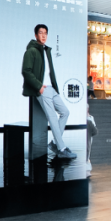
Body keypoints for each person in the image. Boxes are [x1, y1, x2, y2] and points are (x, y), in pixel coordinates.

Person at [21, 24, 75, 160]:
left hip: (51, 88)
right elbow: (26, 71)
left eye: (45, 33)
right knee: (52, 118)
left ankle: (55, 144)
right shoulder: (31, 51)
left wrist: (54, 86)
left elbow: (49, 71)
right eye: (40, 33)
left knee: (65, 112)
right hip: (42, 89)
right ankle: (61, 149)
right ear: (36, 35)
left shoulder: (46, 51)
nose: (43, 35)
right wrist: (39, 86)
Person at [85, 103, 97, 175]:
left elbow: (94, 130)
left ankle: (87, 170)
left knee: (88, 153)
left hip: (89, 138)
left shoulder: (90, 117)